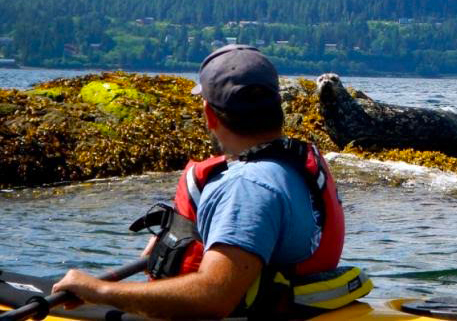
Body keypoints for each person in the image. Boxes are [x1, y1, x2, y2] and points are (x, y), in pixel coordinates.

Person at [53, 44, 347, 319]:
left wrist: (100, 291)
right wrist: (187, 235)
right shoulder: (292, 163)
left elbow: (213, 298)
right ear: (276, 106)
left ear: (209, 114)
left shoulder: (246, 187)